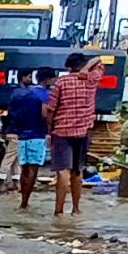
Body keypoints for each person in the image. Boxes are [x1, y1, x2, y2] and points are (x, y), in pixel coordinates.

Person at [47, 51, 103, 216]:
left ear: (68, 67)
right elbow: (99, 60)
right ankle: (76, 209)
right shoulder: (92, 80)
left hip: (62, 132)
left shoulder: (61, 83)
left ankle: (59, 211)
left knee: (62, 172)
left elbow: (51, 109)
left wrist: (49, 131)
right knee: (77, 172)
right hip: (83, 132)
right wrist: (87, 68)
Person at [2, 68, 55, 207]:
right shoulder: (45, 95)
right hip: (37, 134)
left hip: (22, 135)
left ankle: (22, 201)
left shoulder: (26, 92)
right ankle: (25, 202)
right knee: (33, 168)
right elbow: (45, 115)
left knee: (24, 168)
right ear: (47, 79)